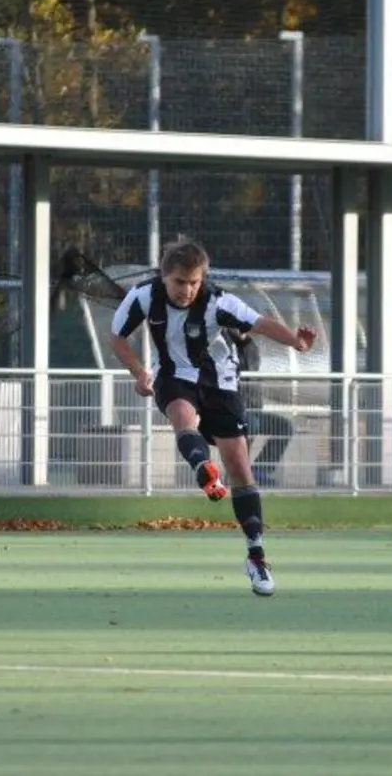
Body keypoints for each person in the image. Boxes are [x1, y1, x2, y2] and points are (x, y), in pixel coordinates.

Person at [108, 238, 314, 596]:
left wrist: (296, 342)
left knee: (241, 468)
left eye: (194, 282)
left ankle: (256, 557)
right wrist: (140, 372)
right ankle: (203, 468)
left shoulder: (219, 302)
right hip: (174, 376)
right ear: (164, 277)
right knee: (181, 415)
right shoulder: (144, 296)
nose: (187, 290)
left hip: (221, 383)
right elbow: (117, 338)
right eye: (179, 282)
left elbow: (261, 323)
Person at [222, 327, 294, 488]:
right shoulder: (222, 342)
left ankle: (260, 469)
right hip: (233, 408)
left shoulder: (249, 345)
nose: (240, 328)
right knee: (249, 426)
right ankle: (238, 472)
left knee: (284, 427)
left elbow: (251, 367)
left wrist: (244, 341)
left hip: (253, 408)